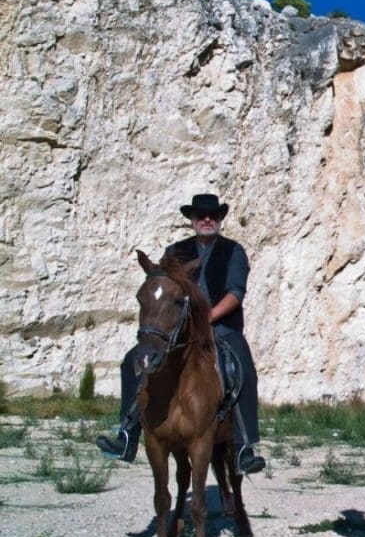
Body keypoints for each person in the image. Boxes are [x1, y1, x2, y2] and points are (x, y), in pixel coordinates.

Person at [96, 193, 266, 475]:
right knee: (132, 361)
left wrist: (208, 317)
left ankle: (243, 447)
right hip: (179, 329)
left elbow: (235, 294)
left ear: (220, 218)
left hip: (220, 327)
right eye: (201, 215)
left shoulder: (233, 251)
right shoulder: (175, 251)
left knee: (243, 367)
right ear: (192, 220)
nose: (207, 219)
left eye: (213, 215)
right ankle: (127, 435)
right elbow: (162, 288)